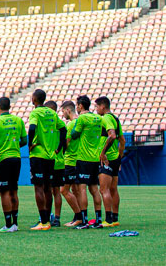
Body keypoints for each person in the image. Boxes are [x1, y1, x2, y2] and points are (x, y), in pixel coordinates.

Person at [27, 89, 65, 231]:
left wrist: (30, 144)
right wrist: (58, 147)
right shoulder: (52, 113)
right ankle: (47, 219)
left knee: (38, 187)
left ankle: (43, 221)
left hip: (38, 154)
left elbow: (31, 128)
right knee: (48, 188)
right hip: (50, 156)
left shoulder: (35, 113)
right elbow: (63, 129)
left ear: (34, 100)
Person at [0, 97, 27, 233]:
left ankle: (7, 224)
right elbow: (24, 140)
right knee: (14, 191)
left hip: (2, 160)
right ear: (9, 107)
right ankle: (15, 223)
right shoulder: (18, 120)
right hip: (16, 158)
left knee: (4, 192)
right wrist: (14, 146)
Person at [70, 95, 104, 229]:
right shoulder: (98, 118)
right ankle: (98, 219)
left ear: (80, 106)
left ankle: (84, 220)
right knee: (95, 189)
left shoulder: (82, 118)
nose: (76, 108)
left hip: (84, 158)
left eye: (77, 105)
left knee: (82, 188)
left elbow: (74, 134)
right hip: (95, 158)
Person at [96, 96, 125, 228]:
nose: (96, 109)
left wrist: (103, 153)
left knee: (104, 189)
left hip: (106, 160)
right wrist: (119, 157)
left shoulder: (106, 118)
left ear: (102, 106)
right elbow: (122, 140)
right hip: (115, 159)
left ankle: (107, 219)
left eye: (97, 107)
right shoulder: (116, 119)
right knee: (113, 189)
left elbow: (112, 136)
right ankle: (115, 218)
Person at [60, 100, 83, 227]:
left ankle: (79, 215)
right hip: (79, 160)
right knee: (76, 190)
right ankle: (79, 217)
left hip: (70, 161)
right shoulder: (81, 122)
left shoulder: (70, 125)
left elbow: (66, 144)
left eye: (63, 111)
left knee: (64, 190)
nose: (63, 114)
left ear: (68, 110)